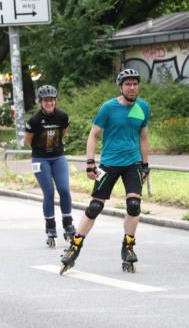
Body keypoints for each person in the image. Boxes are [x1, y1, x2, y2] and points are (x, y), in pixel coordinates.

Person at [60, 68, 150, 274]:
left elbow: (144, 138)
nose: (132, 87)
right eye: (128, 84)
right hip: (109, 163)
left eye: (135, 83)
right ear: (121, 87)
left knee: (134, 205)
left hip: (132, 163)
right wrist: (90, 162)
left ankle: (128, 247)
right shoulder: (108, 107)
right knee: (94, 208)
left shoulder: (143, 107)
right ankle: (74, 248)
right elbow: (93, 135)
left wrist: (145, 165)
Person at [25, 84, 74, 247]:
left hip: (58, 156)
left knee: (64, 189)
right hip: (40, 159)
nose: (49, 103)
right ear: (41, 102)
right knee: (49, 192)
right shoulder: (34, 120)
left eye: (52, 100)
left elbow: (64, 133)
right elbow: (29, 140)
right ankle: (51, 226)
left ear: (55, 101)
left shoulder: (62, 116)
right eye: (46, 100)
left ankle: (68, 223)